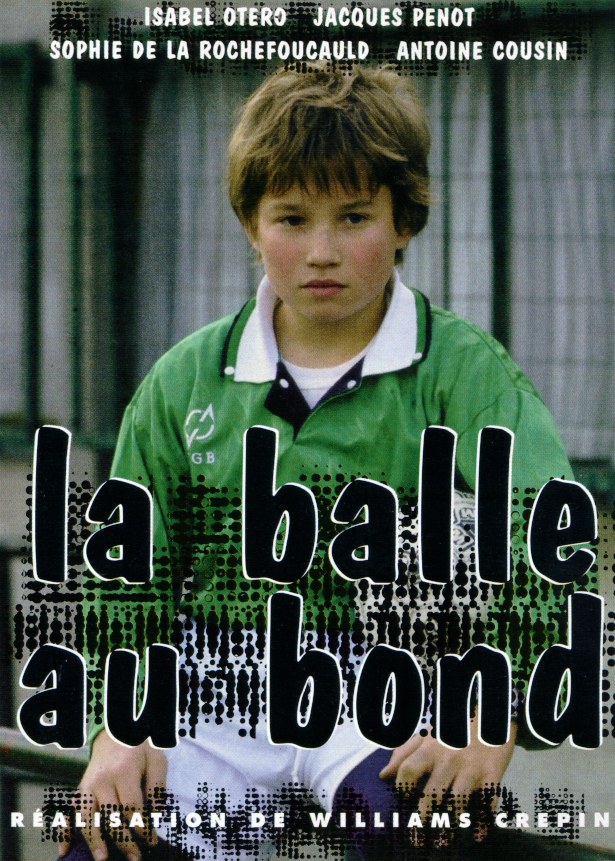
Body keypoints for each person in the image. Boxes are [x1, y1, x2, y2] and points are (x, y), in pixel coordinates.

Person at [59, 65, 572, 861]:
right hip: (215, 678)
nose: (322, 251)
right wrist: (117, 729)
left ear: (404, 220)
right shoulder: (183, 382)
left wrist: (488, 716)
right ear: (250, 223)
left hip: (387, 679)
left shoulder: (466, 375)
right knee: (107, 844)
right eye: (292, 219)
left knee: (434, 831)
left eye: (354, 216)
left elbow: (550, 549)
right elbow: (128, 574)